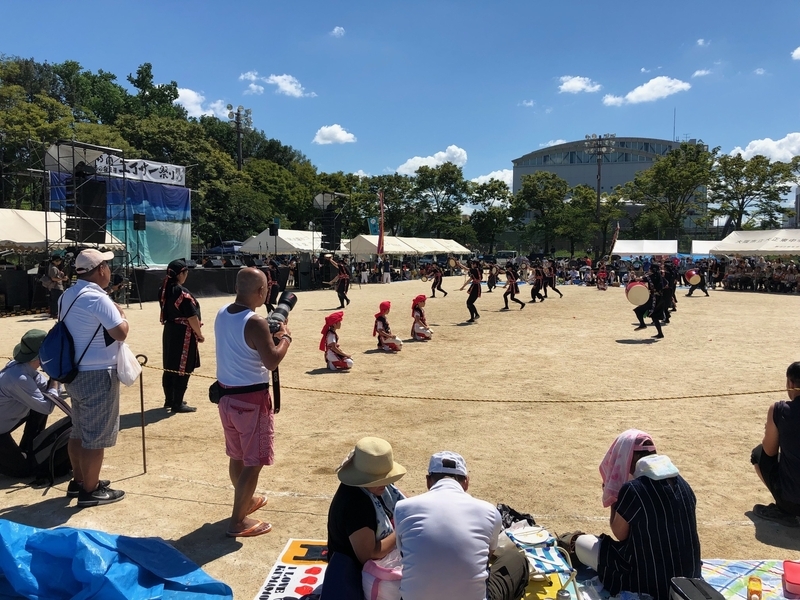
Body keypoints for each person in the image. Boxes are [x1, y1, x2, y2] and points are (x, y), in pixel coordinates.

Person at [572, 430, 701, 600]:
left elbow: (619, 534)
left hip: (648, 581)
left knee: (580, 542)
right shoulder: (683, 484)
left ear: (625, 458)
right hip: (688, 579)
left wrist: (614, 498)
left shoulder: (634, 489)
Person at [215, 267, 291, 537]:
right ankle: (238, 521)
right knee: (254, 461)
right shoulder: (255, 321)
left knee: (238, 455)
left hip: (227, 397)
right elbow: (271, 361)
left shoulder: (223, 312)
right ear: (261, 291)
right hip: (251, 399)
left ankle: (245, 502)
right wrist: (285, 338)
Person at [394, 451, 529, 600]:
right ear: (466, 482)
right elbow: (488, 554)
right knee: (516, 558)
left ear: (428, 481)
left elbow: (404, 553)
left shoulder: (402, 508)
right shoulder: (489, 511)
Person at [61, 249, 129, 507]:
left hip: (75, 371)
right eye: (107, 265)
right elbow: (120, 332)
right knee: (96, 437)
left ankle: (79, 481)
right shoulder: (98, 298)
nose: (109, 271)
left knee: (79, 431)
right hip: (98, 372)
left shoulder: (68, 294)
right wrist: (121, 315)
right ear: (100, 269)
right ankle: (90, 490)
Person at [321, 437, 406, 600]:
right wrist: (403, 528)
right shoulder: (356, 505)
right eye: (380, 480)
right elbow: (369, 554)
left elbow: (404, 502)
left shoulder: (376, 487)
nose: (386, 483)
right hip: (355, 570)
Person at [0, 330, 58, 477]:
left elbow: (46, 392)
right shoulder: (19, 378)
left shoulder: (26, 369)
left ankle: (29, 449)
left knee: (38, 405)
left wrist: (54, 380)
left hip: (6, 421)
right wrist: (56, 376)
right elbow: (47, 407)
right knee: (23, 472)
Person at [751, 362, 800, 526]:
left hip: (794, 502)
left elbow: (769, 451)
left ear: (791, 383)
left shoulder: (779, 409)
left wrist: (774, 430)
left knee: (758, 454)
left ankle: (784, 509)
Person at [158, 259, 202, 414]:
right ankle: (177, 403)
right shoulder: (181, 292)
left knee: (170, 364)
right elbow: (191, 316)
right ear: (181, 274)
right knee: (183, 366)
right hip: (184, 333)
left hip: (170, 331)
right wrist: (199, 333)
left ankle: (169, 399)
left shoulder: (164, 289)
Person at [633, 264, 666, 339]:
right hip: (660, 299)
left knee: (637, 310)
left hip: (653, 299)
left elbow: (638, 280)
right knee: (655, 317)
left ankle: (642, 324)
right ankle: (660, 334)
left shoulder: (650, 277)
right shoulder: (660, 277)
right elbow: (666, 284)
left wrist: (633, 278)